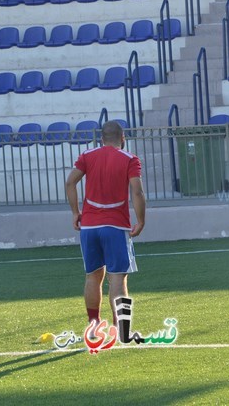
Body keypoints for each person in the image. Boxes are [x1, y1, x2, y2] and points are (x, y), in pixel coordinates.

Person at [65, 120, 146, 328]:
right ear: (123, 139)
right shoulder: (130, 159)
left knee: (93, 277)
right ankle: (122, 329)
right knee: (118, 279)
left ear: (101, 139)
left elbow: (70, 182)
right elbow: (137, 191)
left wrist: (75, 212)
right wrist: (141, 220)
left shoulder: (88, 156)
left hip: (89, 227)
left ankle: (94, 325)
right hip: (116, 227)